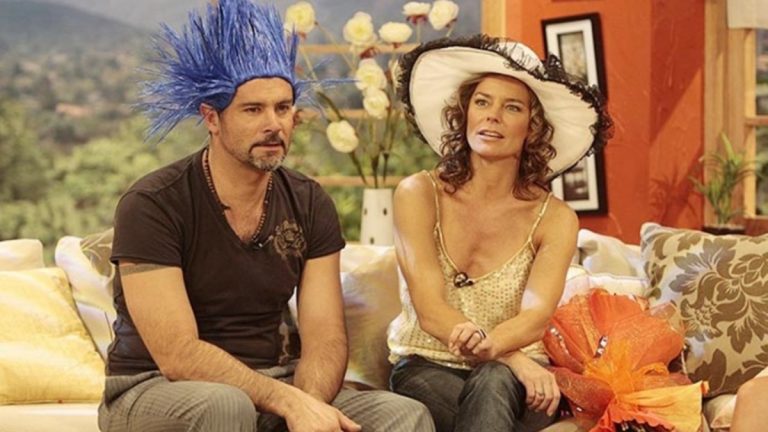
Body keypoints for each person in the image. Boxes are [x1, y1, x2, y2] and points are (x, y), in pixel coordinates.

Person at [97, 1, 434, 431]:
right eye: (253, 110)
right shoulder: (153, 203)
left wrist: (306, 407)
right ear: (211, 118)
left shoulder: (309, 202)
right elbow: (177, 355)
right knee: (225, 405)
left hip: (272, 383)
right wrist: (286, 402)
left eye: (283, 108)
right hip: (153, 387)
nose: (274, 124)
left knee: (403, 414)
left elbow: (326, 338)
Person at [387, 35, 612, 432]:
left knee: (493, 380)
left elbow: (536, 317)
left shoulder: (555, 218)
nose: (492, 116)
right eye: (482, 102)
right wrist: (508, 356)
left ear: (532, 128)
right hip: (427, 365)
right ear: (464, 114)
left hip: (522, 381)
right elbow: (429, 309)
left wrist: (500, 355)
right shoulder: (418, 194)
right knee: (492, 385)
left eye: (512, 107)